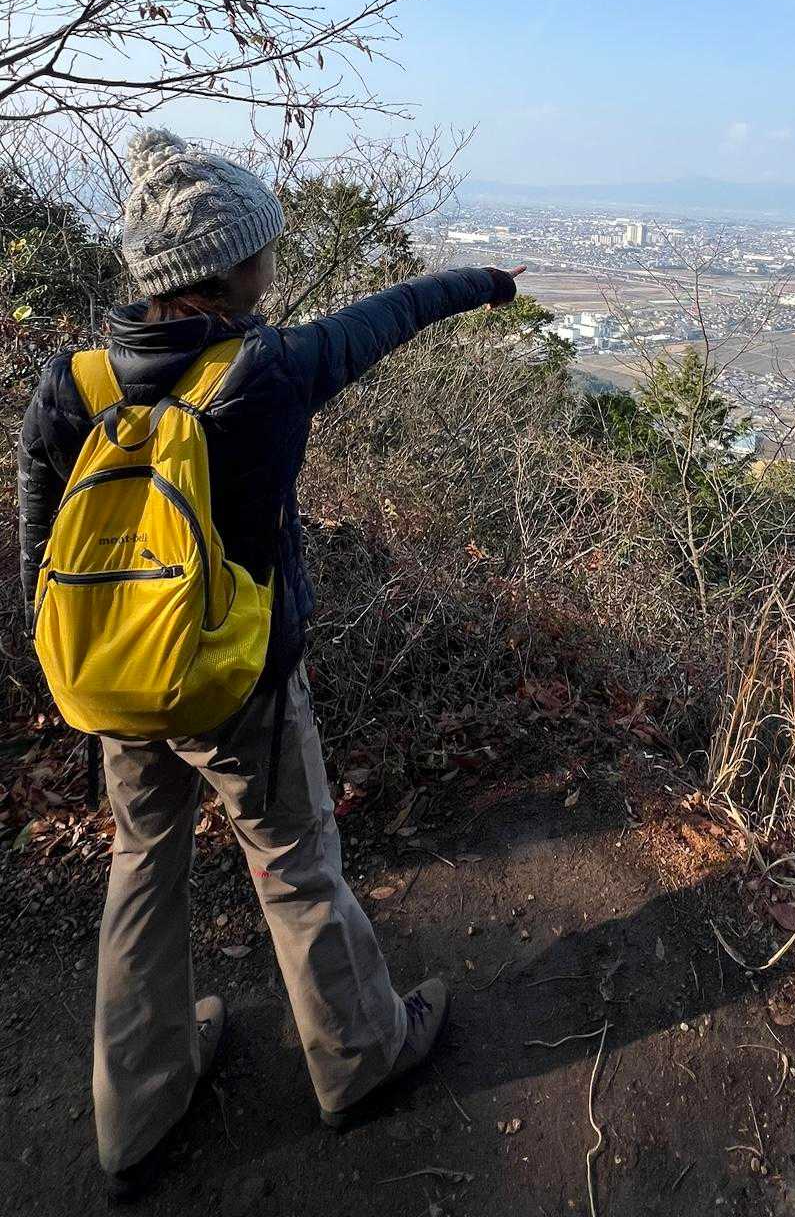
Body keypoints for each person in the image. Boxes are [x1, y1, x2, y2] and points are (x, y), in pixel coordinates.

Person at [17, 128, 524, 1199]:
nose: (272, 263)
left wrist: (67, 663)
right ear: (232, 267)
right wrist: (484, 284)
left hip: (113, 680)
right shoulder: (268, 373)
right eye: (264, 249)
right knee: (293, 861)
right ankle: (359, 1056)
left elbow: (38, 547)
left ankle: (137, 1111)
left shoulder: (71, 382)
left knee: (140, 864)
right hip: (237, 683)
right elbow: (388, 317)